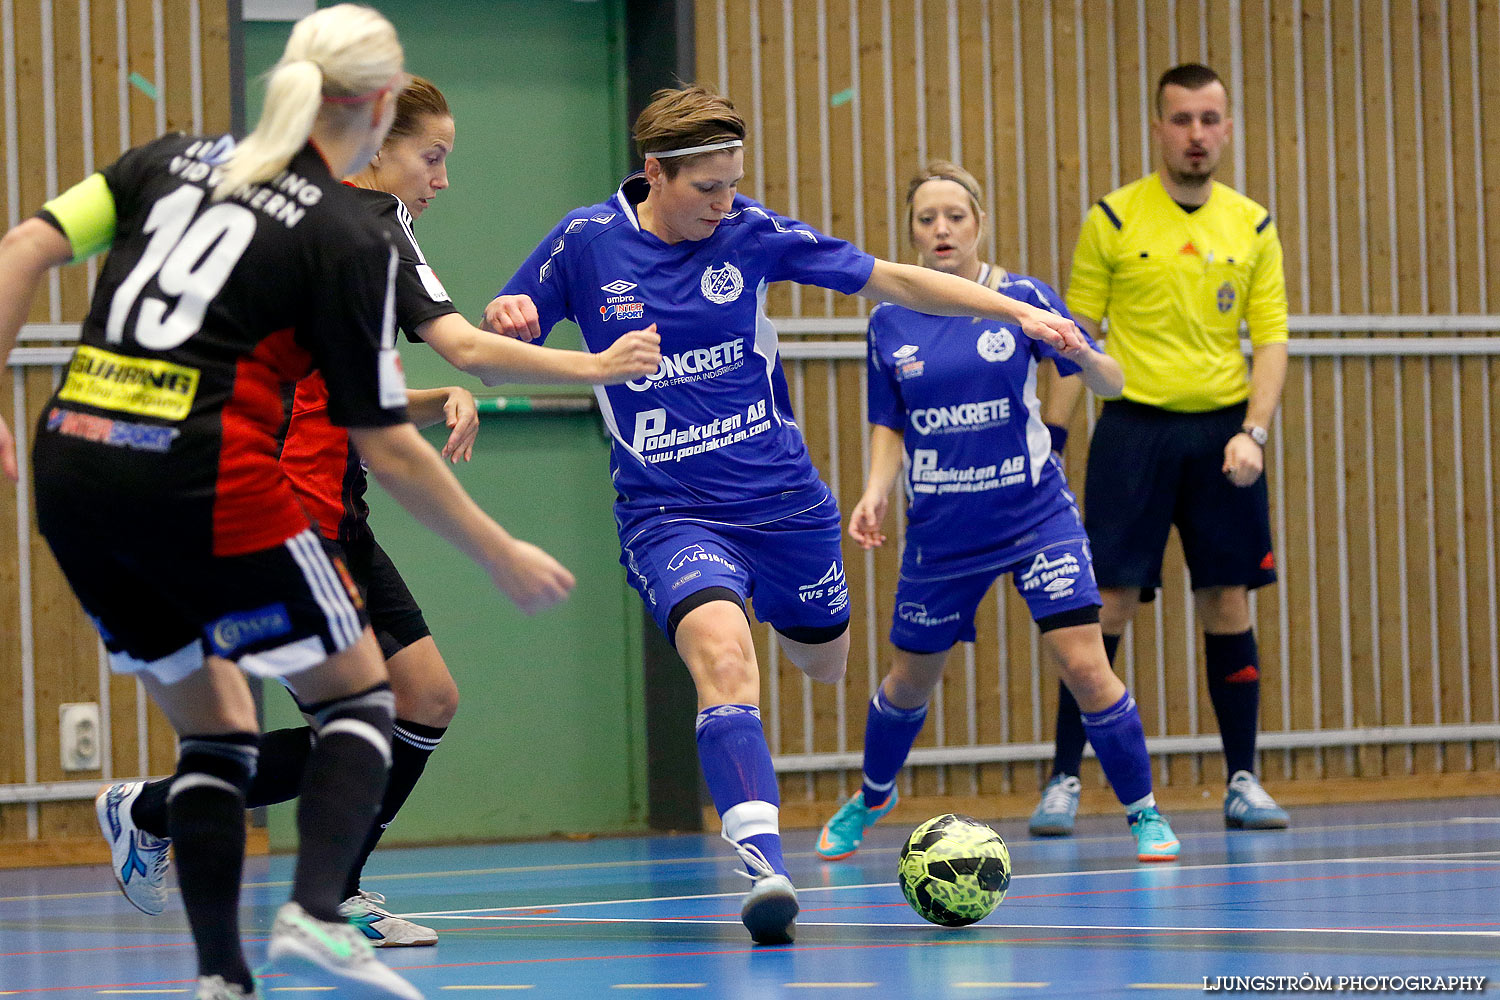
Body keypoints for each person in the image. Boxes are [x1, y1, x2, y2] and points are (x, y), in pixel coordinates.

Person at [0, 6, 576, 999]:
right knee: (365, 697)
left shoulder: (164, 160)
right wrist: (497, 549)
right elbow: (388, 446)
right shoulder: (344, 229)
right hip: (206, 480)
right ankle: (316, 913)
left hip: (76, 469)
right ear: (382, 103)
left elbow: (24, 244)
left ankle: (222, 975)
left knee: (219, 724)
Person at [483, 85, 1086, 945]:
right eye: (708, 188)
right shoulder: (586, 242)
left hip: (786, 505)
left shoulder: (748, 232)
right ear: (655, 172)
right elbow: (498, 353)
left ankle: (804, 645)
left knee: (826, 656)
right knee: (726, 664)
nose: (725, 202)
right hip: (669, 511)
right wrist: (514, 321)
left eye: (735, 183)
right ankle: (765, 864)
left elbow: (892, 277)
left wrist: (1020, 309)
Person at [95, 76, 660, 951]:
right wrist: (599, 367)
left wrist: (431, 402)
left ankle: (316, 879)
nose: (441, 181)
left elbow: (339, 386)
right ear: (377, 148)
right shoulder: (368, 221)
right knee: (356, 728)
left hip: (334, 513)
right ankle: (178, 821)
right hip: (276, 520)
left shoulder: (318, 230)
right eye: (431, 158)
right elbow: (472, 347)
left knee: (423, 699)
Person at [811, 161, 1180, 866]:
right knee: (908, 680)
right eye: (927, 218)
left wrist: (1084, 353)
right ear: (912, 232)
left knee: (1085, 663)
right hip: (943, 529)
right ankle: (874, 792)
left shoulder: (1021, 299)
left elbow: (1110, 381)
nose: (942, 229)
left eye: (955, 215)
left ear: (980, 222)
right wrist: (873, 489)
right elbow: (888, 423)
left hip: (1036, 515)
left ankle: (1144, 813)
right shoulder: (890, 319)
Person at [1032, 62, 1290, 837]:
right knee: (1100, 605)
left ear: (1229, 127)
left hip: (1221, 438)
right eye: (1182, 120)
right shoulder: (1113, 220)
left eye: (1210, 119)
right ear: (1158, 129)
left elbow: (1271, 340)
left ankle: (1242, 778)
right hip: (1132, 434)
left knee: (1226, 602)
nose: (1197, 135)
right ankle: (1063, 782)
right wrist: (1051, 442)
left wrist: (1254, 431)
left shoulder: (1253, 225)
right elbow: (1075, 341)